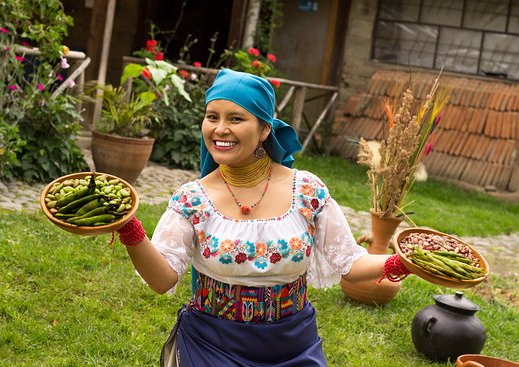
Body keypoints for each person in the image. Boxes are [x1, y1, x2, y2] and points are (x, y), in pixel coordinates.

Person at [115, 69, 411, 366]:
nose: (219, 129)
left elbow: (350, 263)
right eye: (212, 116)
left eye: (235, 118)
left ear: (265, 129)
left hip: (294, 348)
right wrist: (129, 227)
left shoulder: (307, 192)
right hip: (212, 346)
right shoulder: (192, 200)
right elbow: (161, 279)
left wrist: (404, 262)